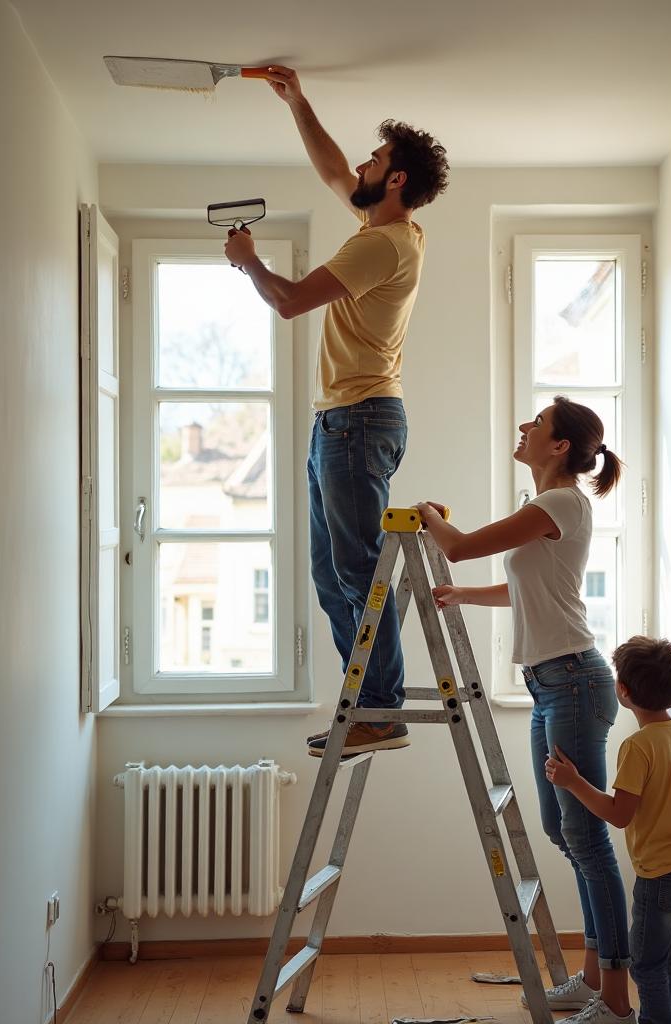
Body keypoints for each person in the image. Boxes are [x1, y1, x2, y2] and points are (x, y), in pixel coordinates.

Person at [223, 66, 449, 758]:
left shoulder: (381, 242)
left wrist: (248, 262)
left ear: (399, 180)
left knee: (354, 572)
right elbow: (333, 171)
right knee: (332, 578)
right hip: (343, 423)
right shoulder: (383, 226)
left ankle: (380, 712)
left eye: (376, 160)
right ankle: (370, 709)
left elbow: (289, 301)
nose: (362, 164)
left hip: (358, 421)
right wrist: (298, 101)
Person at [416, 397, 636, 1024]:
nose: (524, 428)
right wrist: (463, 596)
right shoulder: (549, 510)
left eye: (536, 423)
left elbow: (457, 546)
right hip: (551, 682)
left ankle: (616, 999)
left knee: (587, 839)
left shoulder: (558, 503)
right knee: (563, 832)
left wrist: (427, 515)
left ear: (561, 445)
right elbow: (527, 588)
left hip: (571, 680)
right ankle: (594, 977)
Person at [546, 636, 671, 1024]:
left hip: (660, 875)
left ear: (622, 691)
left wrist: (573, 782)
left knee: (647, 965)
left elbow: (620, 814)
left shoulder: (637, 746)